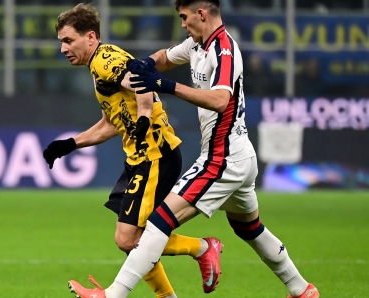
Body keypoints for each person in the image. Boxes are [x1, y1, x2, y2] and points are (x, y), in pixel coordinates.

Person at [68, 1, 320, 298]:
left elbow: (219, 101)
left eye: (185, 17)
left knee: (159, 222)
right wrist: (145, 64)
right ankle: (301, 289)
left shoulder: (224, 50)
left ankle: (113, 294)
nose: (183, 24)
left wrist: (165, 85)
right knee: (250, 229)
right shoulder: (197, 44)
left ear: (202, 14)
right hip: (238, 155)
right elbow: (164, 57)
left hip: (223, 158)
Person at [43, 3, 223, 298]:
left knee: (129, 239)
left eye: (68, 40)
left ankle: (203, 248)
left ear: (90, 37)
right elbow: (110, 124)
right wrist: (70, 144)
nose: (63, 48)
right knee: (132, 238)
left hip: (155, 155)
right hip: (140, 158)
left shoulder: (105, 61)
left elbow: (144, 83)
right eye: (61, 42)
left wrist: (143, 116)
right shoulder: (98, 66)